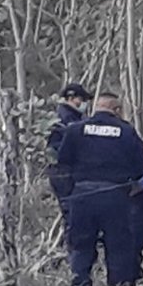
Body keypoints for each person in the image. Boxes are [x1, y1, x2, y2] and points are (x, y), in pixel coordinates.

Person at [57, 92, 143, 286]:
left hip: (82, 194)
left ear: (97, 107)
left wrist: (70, 189)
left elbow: (63, 161)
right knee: (118, 243)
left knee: (81, 242)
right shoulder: (126, 131)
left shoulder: (76, 129)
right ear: (116, 110)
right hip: (114, 194)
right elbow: (141, 164)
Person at [45, 83, 92, 240]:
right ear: (71, 98)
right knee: (71, 211)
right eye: (82, 99)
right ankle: (72, 247)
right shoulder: (64, 118)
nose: (84, 103)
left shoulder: (72, 117)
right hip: (63, 172)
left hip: (68, 171)